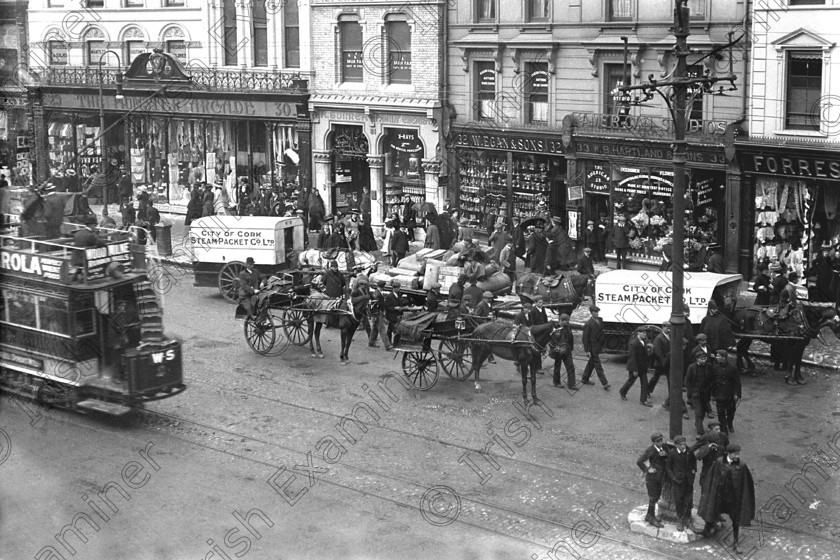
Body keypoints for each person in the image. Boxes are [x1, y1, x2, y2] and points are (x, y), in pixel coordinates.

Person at [698, 444, 756, 553]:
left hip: (733, 499)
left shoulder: (742, 465)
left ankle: (736, 542)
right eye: (735, 454)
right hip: (720, 496)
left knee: (736, 520)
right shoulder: (719, 462)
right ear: (728, 453)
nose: (737, 457)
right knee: (712, 511)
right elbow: (713, 477)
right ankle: (706, 530)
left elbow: (746, 483)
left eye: (738, 454)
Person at [649, 322, 690, 419]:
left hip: (668, 364)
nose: (668, 329)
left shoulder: (670, 336)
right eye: (667, 328)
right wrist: (664, 362)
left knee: (672, 385)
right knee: (656, 378)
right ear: (662, 328)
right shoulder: (659, 338)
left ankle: (670, 403)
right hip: (661, 364)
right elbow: (658, 352)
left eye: (670, 328)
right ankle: (647, 390)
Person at [666, 434, 698, 533]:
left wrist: (693, 472)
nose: (683, 446)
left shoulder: (689, 451)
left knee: (688, 499)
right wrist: (673, 477)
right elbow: (668, 467)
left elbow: (694, 462)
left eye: (684, 444)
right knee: (679, 500)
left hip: (688, 480)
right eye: (681, 445)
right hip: (678, 481)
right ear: (676, 445)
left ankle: (687, 519)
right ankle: (679, 519)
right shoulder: (672, 453)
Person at [636, 433, 668, 528]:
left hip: (660, 477)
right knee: (653, 498)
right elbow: (639, 461)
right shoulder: (650, 450)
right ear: (654, 442)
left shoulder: (664, 447)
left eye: (661, 440)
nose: (661, 443)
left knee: (656, 497)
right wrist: (647, 469)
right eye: (658, 441)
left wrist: (666, 454)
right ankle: (652, 518)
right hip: (652, 478)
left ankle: (649, 516)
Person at [685, 351, 715, 436]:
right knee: (698, 412)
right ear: (697, 359)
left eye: (705, 358)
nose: (704, 360)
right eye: (702, 359)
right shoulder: (692, 367)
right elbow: (687, 381)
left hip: (706, 393)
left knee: (704, 411)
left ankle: (697, 424)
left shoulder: (709, 366)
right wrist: (691, 392)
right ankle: (700, 432)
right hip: (696, 393)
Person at [711, 350, 741, 434]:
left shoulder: (733, 368)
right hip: (719, 394)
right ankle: (723, 429)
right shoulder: (715, 368)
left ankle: (730, 424)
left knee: (731, 412)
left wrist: (737, 393)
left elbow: (737, 381)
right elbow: (712, 381)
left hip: (730, 394)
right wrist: (713, 394)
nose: (716, 357)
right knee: (720, 414)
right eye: (716, 356)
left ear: (724, 358)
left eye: (718, 356)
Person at [620, 329, 652, 406]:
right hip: (635, 367)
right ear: (639, 333)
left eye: (645, 333)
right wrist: (634, 370)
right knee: (631, 381)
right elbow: (632, 357)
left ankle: (643, 400)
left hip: (642, 367)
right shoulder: (634, 343)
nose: (645, 335)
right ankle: (623, 391)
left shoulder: (643, 341)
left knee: (644, 383)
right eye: (643, 333)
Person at [581, 305, 610, 389]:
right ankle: (605, 383)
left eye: (597, 312)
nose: (596, 313)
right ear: (591, 313)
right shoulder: (588, 324)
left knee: (591, 363)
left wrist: (603, 345)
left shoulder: (600, 320)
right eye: (595, 312)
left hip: (598, 346)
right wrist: (587, 350)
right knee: (598, 365)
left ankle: (585, 378)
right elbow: (585, 338)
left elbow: (601, 333)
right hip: (592, 347)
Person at [550, 314, 577, 389]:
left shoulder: (568, 327)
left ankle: (572, 384)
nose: (568, 322)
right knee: (557, 366)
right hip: (559, 350)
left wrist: (571, 348)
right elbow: (552, 340)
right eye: (566, 321)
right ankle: (556, 382)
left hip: (567, 349)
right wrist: (555, 349)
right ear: (561, 320)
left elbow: (570, 337)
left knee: (570, 366)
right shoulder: (555, 328)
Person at [368, 280, 391, 350]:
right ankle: (387, 345)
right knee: (382, 329)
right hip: (377, 313)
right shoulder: (377, 294)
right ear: (383, 287)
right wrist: (376, 315)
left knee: (375, 328)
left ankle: (371, 342)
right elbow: (375, 306)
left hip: (376, 313)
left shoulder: (376, 293)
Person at [384, 280, 406, 347]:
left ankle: (391, 343)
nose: (399, 289)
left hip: (397, 315)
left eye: (399, 288)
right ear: (394, 288)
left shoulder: (398, 295)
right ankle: (391, 343)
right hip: (391, 315)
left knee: (392, 330)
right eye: (398, 288)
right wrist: (394, 308)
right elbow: (387, 307)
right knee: (394, 330)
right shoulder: (389, 296)